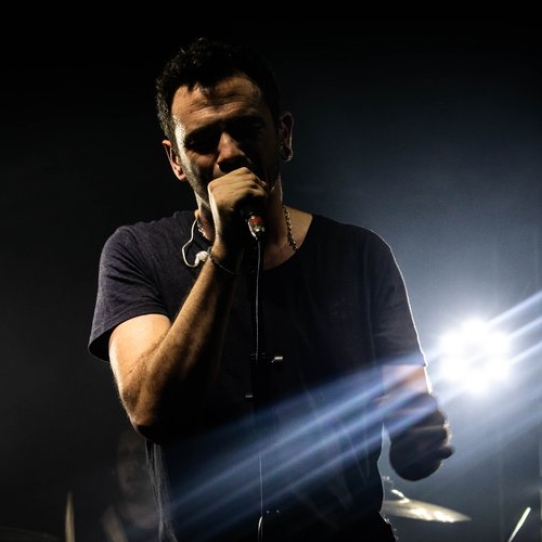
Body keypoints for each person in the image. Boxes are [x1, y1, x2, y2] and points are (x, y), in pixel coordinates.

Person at [88, 36, 453, 542]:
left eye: (246, 129)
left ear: (283, 135)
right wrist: (226, 251)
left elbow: (412, 431)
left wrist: (419, 442)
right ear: (175, 160)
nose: (229, 154)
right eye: (203, 140)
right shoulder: (136, 253)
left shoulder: (359, 256)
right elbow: (152, 410)